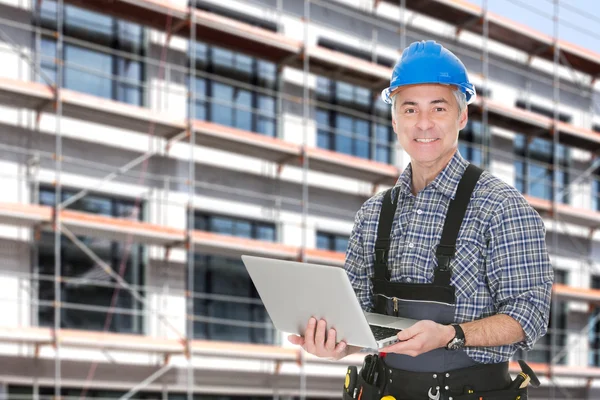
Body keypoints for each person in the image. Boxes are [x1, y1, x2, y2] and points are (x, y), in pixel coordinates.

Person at [288, 40, 553, 400]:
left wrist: (451, 334)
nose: (424, 124)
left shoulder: (502, 207)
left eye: (438, 108)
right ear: (395, 120)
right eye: (410, 110)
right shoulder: (373, 215)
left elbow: (530, 315)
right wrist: (338, 345)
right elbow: (358, 320)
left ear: (461, 116)